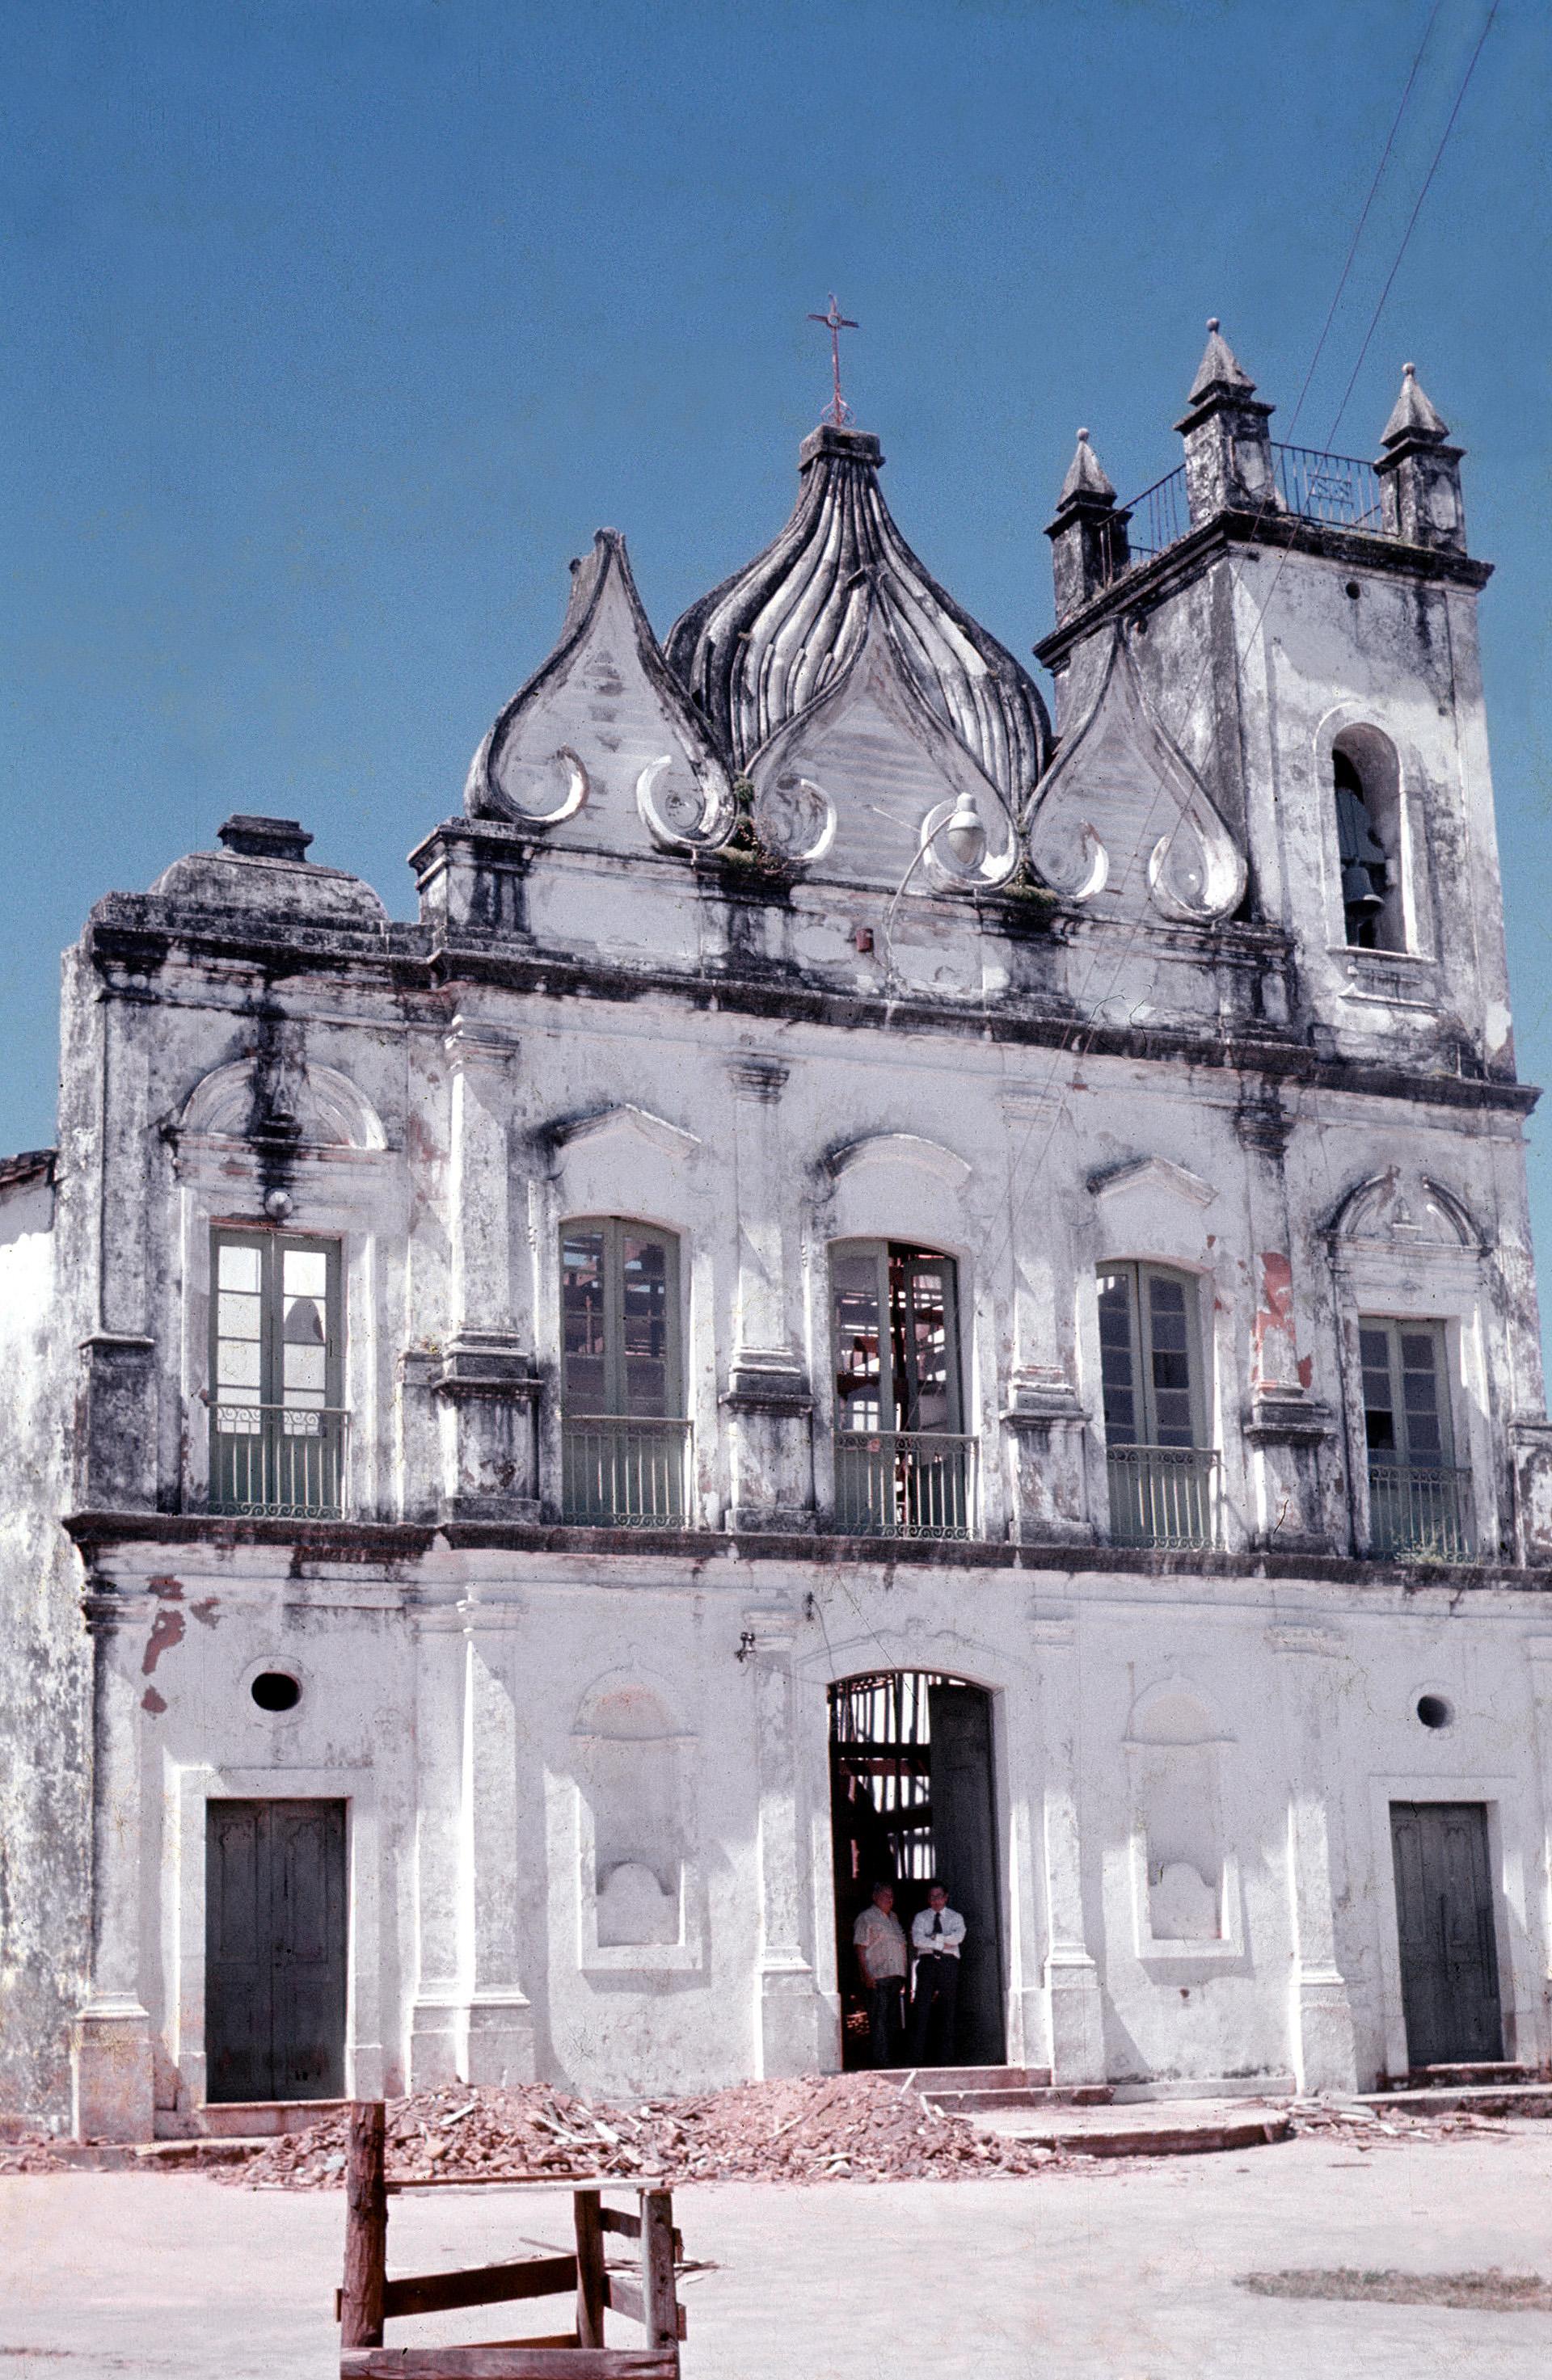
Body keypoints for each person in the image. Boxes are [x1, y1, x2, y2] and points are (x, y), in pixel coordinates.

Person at [906, 1880, 966, 2065]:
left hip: (948, 1965)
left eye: (939, 1896)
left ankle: (946, 2058)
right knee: (922, 2009)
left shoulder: (956, 1917)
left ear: (946, 1897)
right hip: (928, 1964)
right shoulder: (921, 1917)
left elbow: (958, 1938)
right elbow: (917, 1941)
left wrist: (932, 1938)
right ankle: (917, 2057)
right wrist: (943, 1941)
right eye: (932, 1897)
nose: (936, 1901)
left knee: (948, 2009)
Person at [852, 1881, 908, 2067]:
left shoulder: (894, 1918)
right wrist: (866, 1975)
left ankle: (892, 2059)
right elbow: (860, 1947)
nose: (889, 1899)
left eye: (891, 1895)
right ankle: (881, 2062)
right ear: (875, 1897)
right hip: (878, 1978)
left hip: (895, 1977)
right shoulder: (866, 1918)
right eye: (885, 1895)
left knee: (892, 2021)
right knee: (879, 2021)